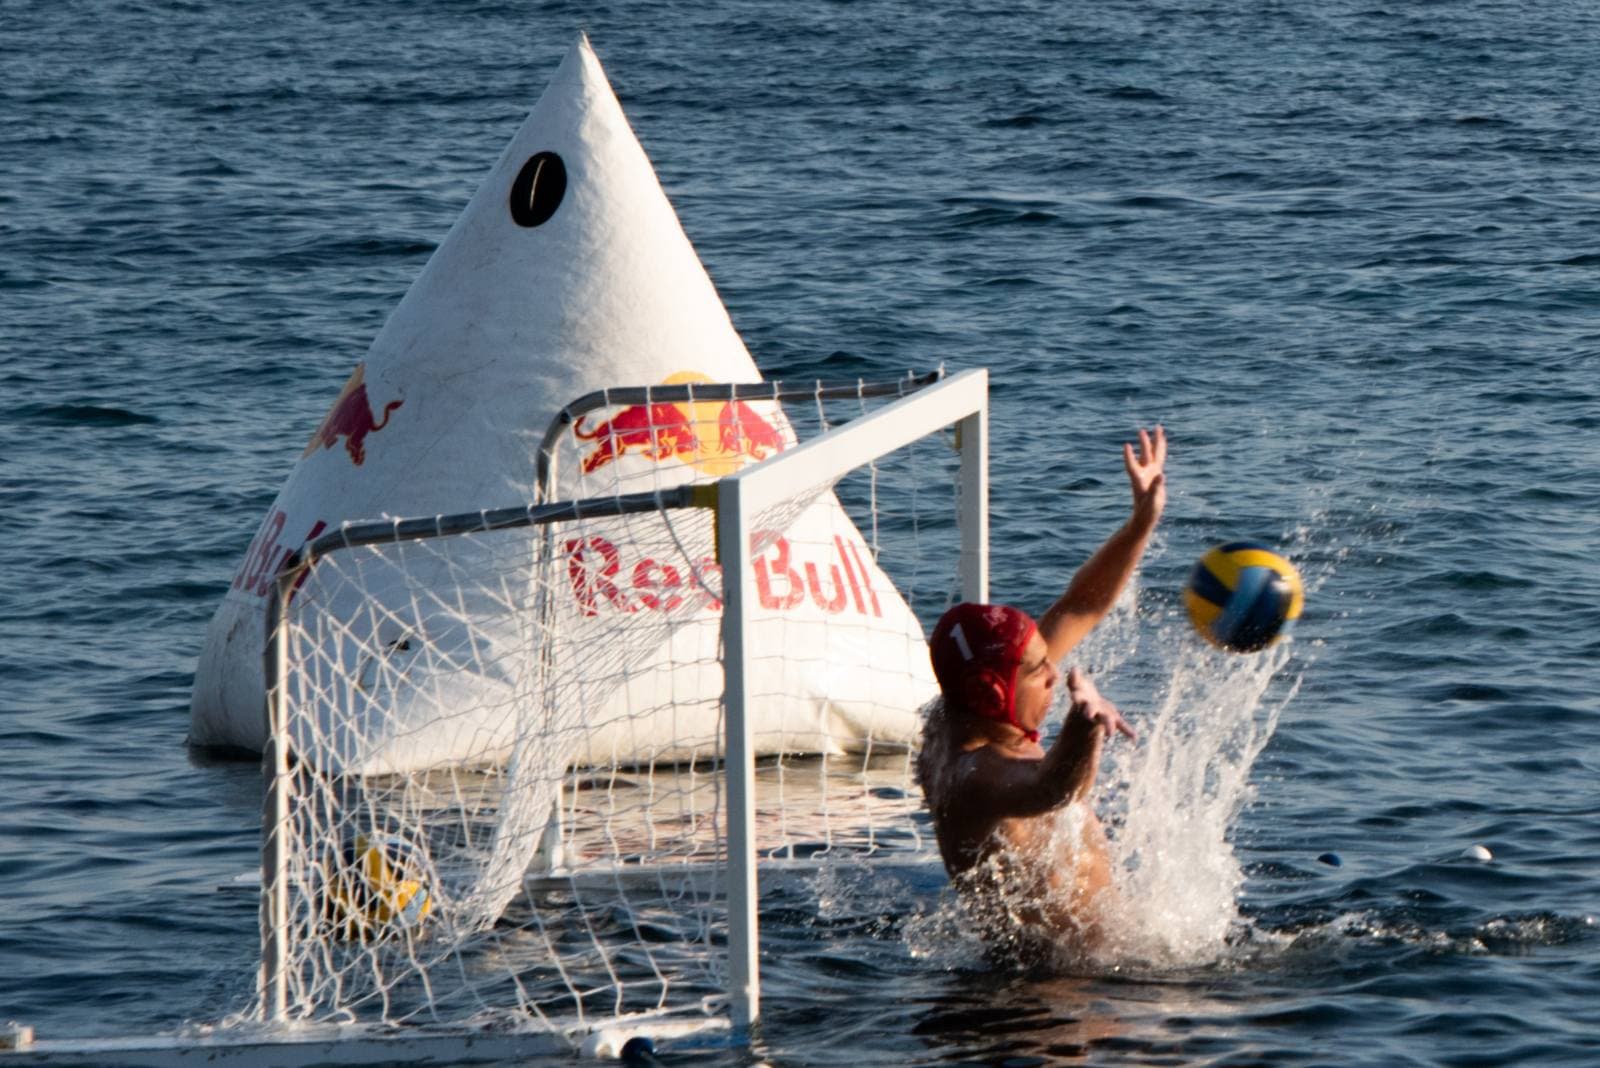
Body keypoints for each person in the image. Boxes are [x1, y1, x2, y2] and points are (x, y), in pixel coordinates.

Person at [915, 426, 1167, 957]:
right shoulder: (974, 774)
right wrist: (1085, 720)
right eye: (1039, 671)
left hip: (1079, 968)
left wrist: (1141, 524)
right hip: (1050, 990)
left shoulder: (962, 711)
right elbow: (1054, 787)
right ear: (992, 689)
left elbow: (1081, 604)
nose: (1054, 672)